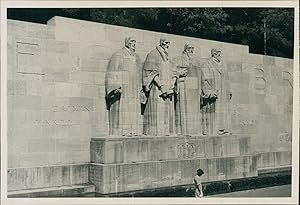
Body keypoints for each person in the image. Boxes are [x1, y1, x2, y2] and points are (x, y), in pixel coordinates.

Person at [105, 36, 142, 135]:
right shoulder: (118, 55)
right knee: (123, 108)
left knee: (133, 108)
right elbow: (112, 71)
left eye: (135, 41)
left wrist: (141, 88)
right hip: (124, 88)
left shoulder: (136, 57)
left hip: (134, 88)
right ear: (127, 43)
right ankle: (123, 131)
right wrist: (115, 86)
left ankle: (133, 130)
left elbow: (140, 74)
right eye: (131, 41)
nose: (134, 43)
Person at [141, 37, 176, 136]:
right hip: (157, 89)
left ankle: (167, 131)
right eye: (165, 43)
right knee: (157, 112)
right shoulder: (153, 54)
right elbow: (149, 72)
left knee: (168, 112)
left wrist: (173, 83)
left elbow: (174, 72)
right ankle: (156, 132)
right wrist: (161, 85)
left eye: (169, 43)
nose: (167, 45)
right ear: (161, 43)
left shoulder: (169, 56)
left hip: (169, 89)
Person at [200, 48, 232, 135]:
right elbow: (204, 79)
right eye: (217, 53)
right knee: (215, 111)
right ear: (213, 54)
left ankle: (223, 128)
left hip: (223, 92)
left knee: (224, 110)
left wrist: (228, 90)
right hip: (214, 93)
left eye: (220, 53)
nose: (219, 55)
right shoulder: (207, 64)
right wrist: (209, 91)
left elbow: (227, 79)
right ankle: (215, 129)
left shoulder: (223, 65)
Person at [173, 43, 201, 135]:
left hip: (194, 89)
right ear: (185, 49)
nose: (191, 50)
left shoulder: (196, 61)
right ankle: (183, 131)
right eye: (189, 48)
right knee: (183, 109)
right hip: (183, 86)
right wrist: (179, 74)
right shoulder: (179, 59)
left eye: (192, 48)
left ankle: (195, 130)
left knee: (194, 110)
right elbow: (174, 72)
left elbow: (200, 75)